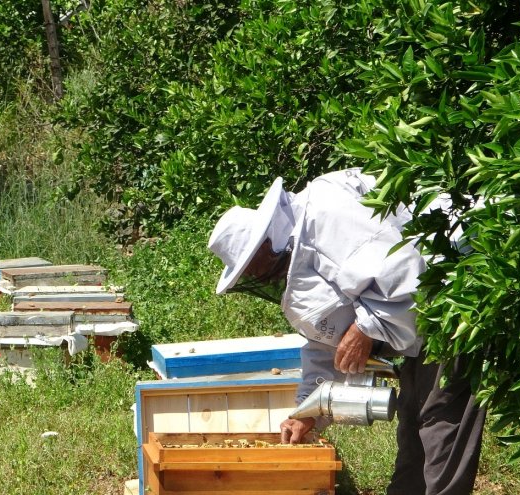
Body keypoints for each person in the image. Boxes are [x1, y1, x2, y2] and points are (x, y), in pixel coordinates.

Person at [207, 168, 486, 495]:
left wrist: (365, 328)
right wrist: (307, 412)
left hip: (449, 301)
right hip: (418, 325)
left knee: (440, 424)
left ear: (265, 243)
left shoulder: (326, 214)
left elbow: (404, 268)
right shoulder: (299, 252)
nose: (256, 276)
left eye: (251, 266)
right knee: (413, 423)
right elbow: (325, 341)